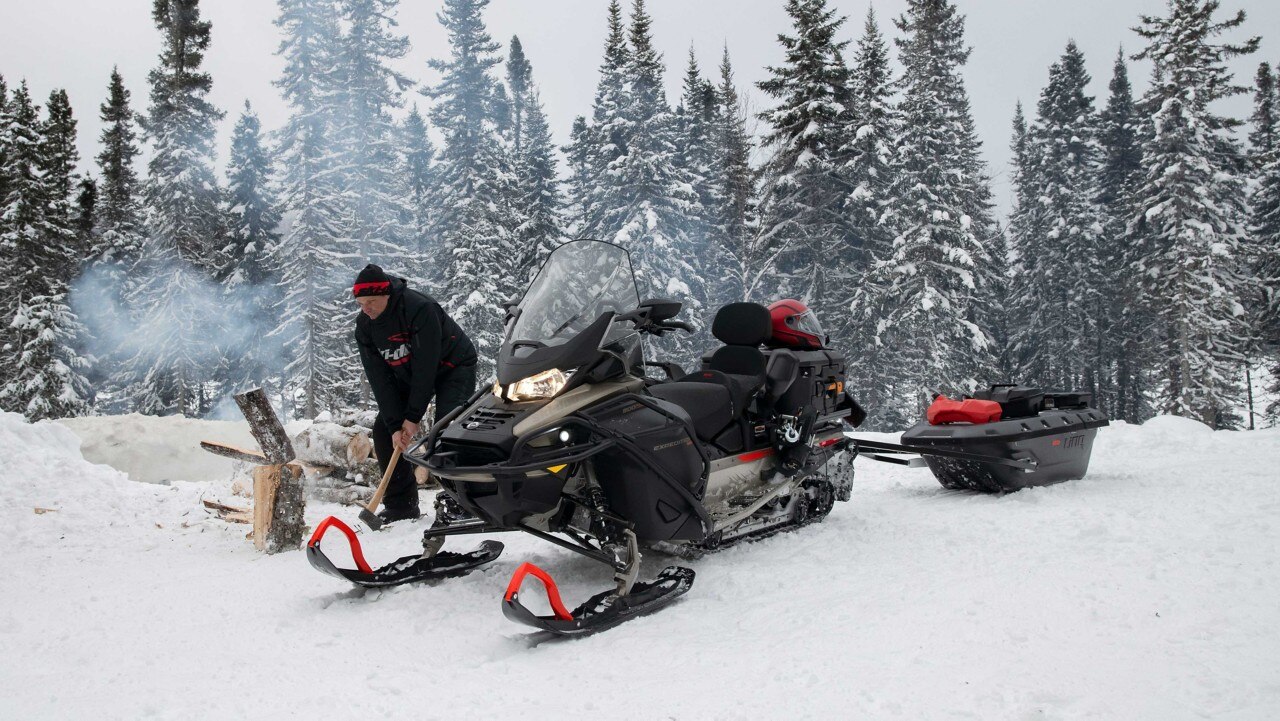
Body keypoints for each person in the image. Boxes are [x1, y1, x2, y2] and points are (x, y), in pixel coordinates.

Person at [353, 264, 477, 523]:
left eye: (371, 301)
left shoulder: (419, 309)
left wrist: (411, 418)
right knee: (384, 430)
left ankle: (465, 502)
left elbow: (426, 368)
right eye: (361, 303)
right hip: (407, 374)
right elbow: (380, 380)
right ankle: (401, 506)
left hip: (452, 366)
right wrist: (395, 424)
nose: (366, 308)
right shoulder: (365, 326)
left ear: (387, 294)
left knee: (448, 430)